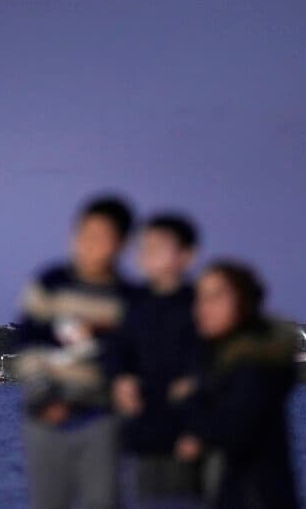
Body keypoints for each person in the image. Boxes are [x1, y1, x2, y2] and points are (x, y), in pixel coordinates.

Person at [14, 195, 136, 509]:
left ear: (122, 243)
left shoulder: (129, 298)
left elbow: (129, 360)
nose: (90, 245)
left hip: (101, 417)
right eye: (84, 235)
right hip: (44, 416)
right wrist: (45, 398)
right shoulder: (51, 282)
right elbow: (27, 343)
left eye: (102, 237)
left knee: (104, 500)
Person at [175, 260, 300, 509]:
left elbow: (236, 432)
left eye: (216, 297)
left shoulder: (254, 365)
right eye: (200, 298)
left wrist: (189, 399)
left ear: (244, 301)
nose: (204, 308)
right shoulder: (220, 358)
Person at [109, 214, 202, 504]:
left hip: (190, 433)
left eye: (159, 247)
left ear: (186, 255)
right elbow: (115, 352)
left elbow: (213, 362)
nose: (148, 254)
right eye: (144, 246)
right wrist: (119, 379)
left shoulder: (200, 304)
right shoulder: (131, 303)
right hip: (140, 433)